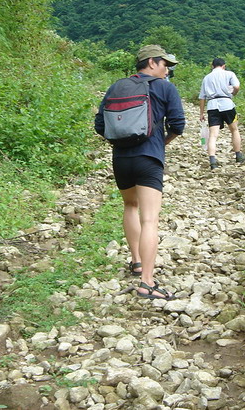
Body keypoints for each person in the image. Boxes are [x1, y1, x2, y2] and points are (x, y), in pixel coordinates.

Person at [95, 45, 185, 300]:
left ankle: (136, 261)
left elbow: (100, 125)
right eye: (165, 65)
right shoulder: (165, 88)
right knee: (150, 220)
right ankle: (147, 282)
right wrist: (160, 144)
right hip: (149, 158)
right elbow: (178, 125)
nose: (167, 70)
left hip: (121, 159)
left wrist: (122, 142)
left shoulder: (117, 86)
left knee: (130, 206)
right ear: (152, 62)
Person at [199, 58, 245, 169]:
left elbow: (202, 97)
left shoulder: (207, 78)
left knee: (213, 135)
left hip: (212, 106)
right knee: (234, 130)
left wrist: (201, 113)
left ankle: (212, 161)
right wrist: (233, 93)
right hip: (227, 104)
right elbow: (237, 86)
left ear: (212, 66)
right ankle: (238, 155)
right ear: (224, 66)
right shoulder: (229, 74)